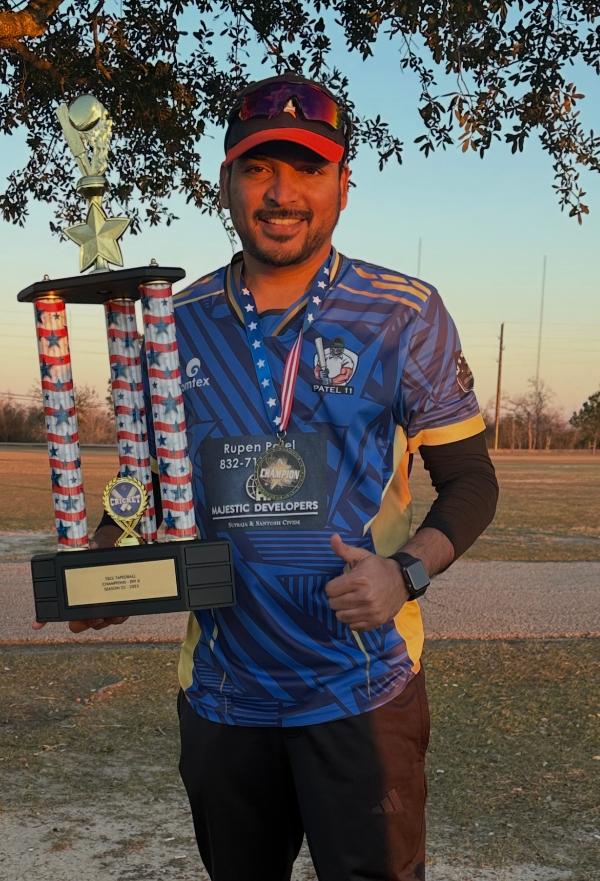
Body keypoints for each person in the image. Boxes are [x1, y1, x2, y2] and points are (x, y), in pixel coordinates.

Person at [43, 74, 499, 880]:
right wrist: (104, 565)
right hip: (225, 696)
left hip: (362, 689)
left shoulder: (402, 313)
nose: (282, 193)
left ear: (344, 184)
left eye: (308, 169)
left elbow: (471, 481)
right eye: (258, 169)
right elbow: (146, 486)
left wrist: (404, 572)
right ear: (225, 181)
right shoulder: (171, 324)